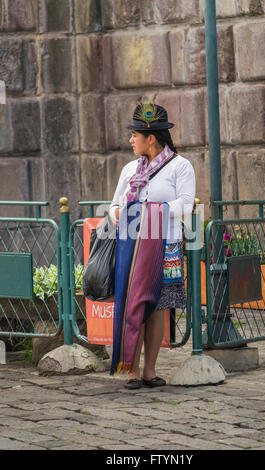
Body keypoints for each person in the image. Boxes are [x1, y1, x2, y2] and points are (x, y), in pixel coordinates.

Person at [109, 102, 196, 389]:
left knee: (159, 306)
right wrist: (120, 213)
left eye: (135, 135)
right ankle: (131, 369)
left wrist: (147, 210)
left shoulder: (180, 167)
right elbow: (113, 207)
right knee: (134, 303)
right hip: (132, 248)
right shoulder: (129, 169)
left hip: (165, 244)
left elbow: (185, 204)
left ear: (152, 139)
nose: (131, 139)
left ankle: (150, 370)